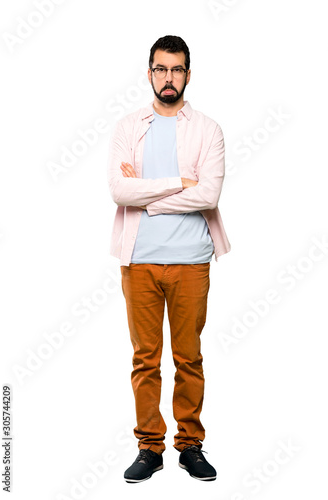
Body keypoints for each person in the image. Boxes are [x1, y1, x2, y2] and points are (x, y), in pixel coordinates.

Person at [107, 35, 231, 483]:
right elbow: (119, 191)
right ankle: (149, 447)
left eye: (177, 70)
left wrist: (150, 196)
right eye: (161, 69)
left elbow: (209, 194)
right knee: (145, 358)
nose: (168, 78)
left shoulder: (208, 129)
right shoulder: (128, 127)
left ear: (188, 75)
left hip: (191, 260)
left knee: (189, 357)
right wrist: (180, 182)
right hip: (137, 260)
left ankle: (190, 445)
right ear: (149, 73)